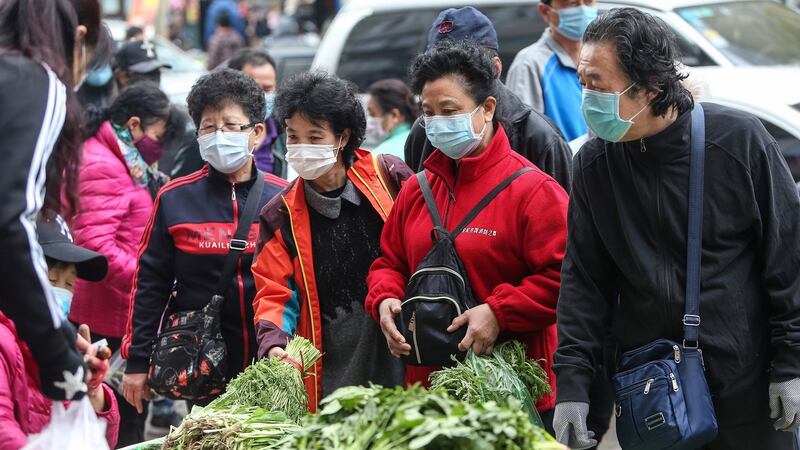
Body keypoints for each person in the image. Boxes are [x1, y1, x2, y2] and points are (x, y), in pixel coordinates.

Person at [552, 9, 800, 450]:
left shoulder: (738, 142)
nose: (587, 98)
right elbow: (583, 285)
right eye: (582, 83)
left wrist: (792, 366)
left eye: (599, 84)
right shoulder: (593, 165)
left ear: (648, 87)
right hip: (653, 399)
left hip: (750, 393)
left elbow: (788, 259)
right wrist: (572, 387)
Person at [367, 41, 568, 432]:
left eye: (450, 111)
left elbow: (566, 278)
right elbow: (389, 262)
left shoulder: (534, 191)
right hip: (430, 393)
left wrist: (499, 312)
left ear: (488, 109)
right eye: (428, 112)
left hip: (514, 394)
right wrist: (385, 298)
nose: (438, 122)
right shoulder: (417, 188)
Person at [121, 68, 288, 413]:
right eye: (209, 127)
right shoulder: (174, 199)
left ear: (256, 133)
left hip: (275, 362)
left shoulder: (284, 198)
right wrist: (137, 362)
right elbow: (150, 284)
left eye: (230, 125)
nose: (218, 135)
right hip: (202, 365)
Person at [252, 71, 413, 411]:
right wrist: (274, 345)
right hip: (333, 366)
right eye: (293, 137)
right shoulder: (279, 214)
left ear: (342, 137)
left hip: (402, 347)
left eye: (314, 136)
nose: (301, 148)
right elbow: (274, 291)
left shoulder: (389, 178)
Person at [0, 0, 101, 401]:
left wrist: (59, 335)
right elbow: (10, 221)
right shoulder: (36, 81)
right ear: (78, 39)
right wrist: (56, 354)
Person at [66, 82, 171, 446]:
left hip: (118, 311)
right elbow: (95, 245)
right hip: (102, 318)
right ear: (136, 124)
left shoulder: (125, 160)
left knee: (126, 418)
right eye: (157, 135)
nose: (159, 145)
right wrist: (150, 280)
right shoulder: (102, 163)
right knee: (117, 422)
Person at [404, 6, 572, 192]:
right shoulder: (423, 131)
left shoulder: (539, 138)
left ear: (495, 68)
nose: (450, 77)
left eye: (466, 67)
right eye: (439, 64)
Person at [0, 217, 120, 448]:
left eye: (69, 285)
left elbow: (98, 439)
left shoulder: (62, 343)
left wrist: (90, 389)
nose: (60, 292)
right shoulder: (5, 341)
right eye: (51, 279)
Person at [506, 0, 597, 141]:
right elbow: (523, 137)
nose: (583, 10)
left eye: (589, 2)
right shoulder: (530, 64)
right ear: (545, 11)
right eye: (572, 3)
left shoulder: (603, 58)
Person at [228, 48, 284, 176]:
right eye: (254, 88)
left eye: (268, 88)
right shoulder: (218, 134)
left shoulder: (284, 131)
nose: (260, 95)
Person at [366, 79, 419, 160]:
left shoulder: (380, 158)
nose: (369, 120)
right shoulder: (420, 142)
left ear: (394, 115)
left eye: (373, 114)